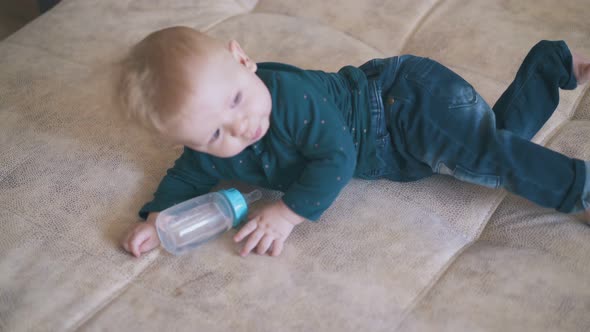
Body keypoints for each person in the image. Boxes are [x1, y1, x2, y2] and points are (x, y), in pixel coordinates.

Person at [115, 26, 590, 258]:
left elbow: (336, 156)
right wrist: (159, 219)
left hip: (405, 104)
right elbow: (186, 173)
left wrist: (288, 212)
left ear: (243, 60)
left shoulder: (289, 97)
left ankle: (580, 189)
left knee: (493, 158)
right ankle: (551, 66)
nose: (240, 127)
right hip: (400, 144)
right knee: (492, 150)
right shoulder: (206, 145)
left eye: (237, 99)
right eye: (214, 133)